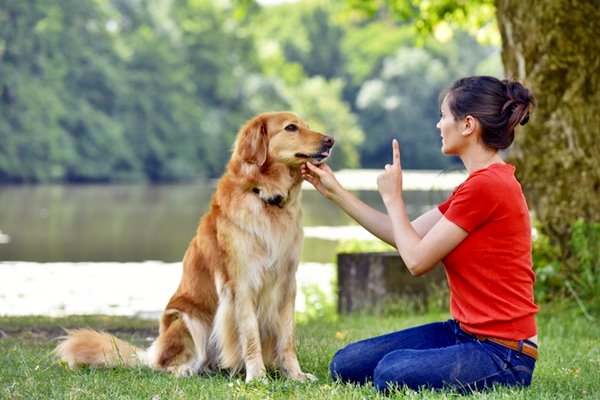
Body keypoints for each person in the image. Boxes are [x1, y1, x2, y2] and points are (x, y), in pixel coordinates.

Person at [301, 76, 539, 393]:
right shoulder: (476, 185)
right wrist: (335, 193)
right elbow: (406, 235)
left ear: (468, 124)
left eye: (444, 116)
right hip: (465, 334)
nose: (439, 125)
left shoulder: (488, 186)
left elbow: (415, 261)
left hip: (504, 353)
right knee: (346, 364)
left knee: (390, 373)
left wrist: (394, 198)